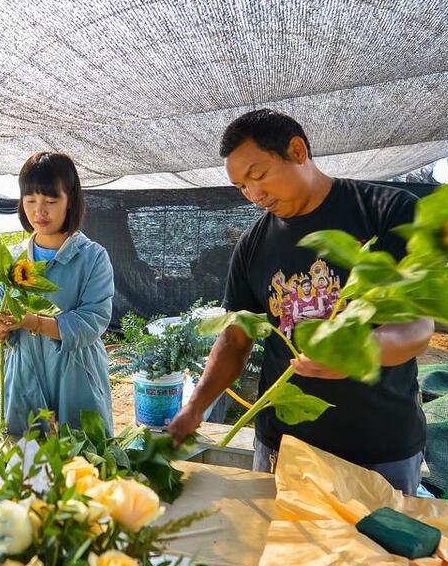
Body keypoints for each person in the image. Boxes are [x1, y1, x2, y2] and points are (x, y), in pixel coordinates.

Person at [167, 110, 433, 494]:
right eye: (241, 186)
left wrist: (359, 352)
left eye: (258, 176)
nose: (254, 195)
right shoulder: (253, 245)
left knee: (378, 553)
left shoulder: (387, 212)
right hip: (283, 445)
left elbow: (418, 327)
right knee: (278, 548)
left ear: (296, 150)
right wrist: (195, 407)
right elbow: (235, 339)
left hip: (379, 446)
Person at [0, 151, 115, 436]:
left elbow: (94, 320)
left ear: (70, 201)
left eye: (50, 201)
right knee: (27, 464)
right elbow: (1, 315)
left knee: (81, 462)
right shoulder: (16, 260)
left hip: (75, 375)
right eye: (30, 201)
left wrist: (34, 322)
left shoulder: (92, 258)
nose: (39, 211)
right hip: (24, 374)